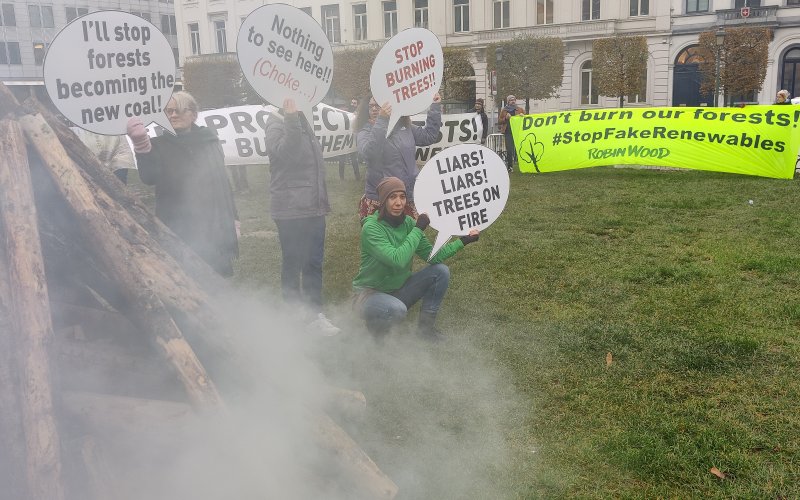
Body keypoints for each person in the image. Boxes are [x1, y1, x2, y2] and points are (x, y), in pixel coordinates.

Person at [352, 177, 480, 342]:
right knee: (397, 309)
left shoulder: (408, 224)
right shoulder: (371, 228)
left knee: (441, 271)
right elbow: (397, 259)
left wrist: (464, 240)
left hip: (398, 289)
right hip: (369, 295)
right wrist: (418, 228)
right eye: (392, 197)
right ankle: (376, 331)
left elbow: (433, 257)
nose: (399, 203)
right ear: (383, 201)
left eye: (402, 197)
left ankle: (426, 329)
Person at [126, 91, 239, 277]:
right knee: (186, 277)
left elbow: (222, 182)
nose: (173, 115)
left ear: (193, 114)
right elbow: (149, 177)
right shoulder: (158, 145)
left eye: (178, 110)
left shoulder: (209, 140)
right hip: (177, 224)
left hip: (212, 224)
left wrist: (233, 218)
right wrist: (141, 145)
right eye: (169, 111)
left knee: (217, 279)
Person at [264, 97, 340, 336]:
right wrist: (290, 118)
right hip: (291, 209)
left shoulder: (302, 121)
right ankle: (293, 315)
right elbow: (288, 153)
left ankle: (313, 314)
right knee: (293, 262)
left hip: (312, 207)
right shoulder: (277, 122)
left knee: (313, 262)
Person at [356, 92, 442, 221]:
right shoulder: (365, 131)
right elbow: (369, 153)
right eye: (371, 106)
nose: (374, 109)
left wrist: (434, 107)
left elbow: (429, 136)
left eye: (378, 105)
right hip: (382, 199)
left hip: (407, 196)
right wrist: (382, 121)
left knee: (411, 233)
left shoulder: (404, 127)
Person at [497, 95, 525, 172]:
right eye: (511, 100)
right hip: (508, 132)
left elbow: (526, 119)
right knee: (509, 150)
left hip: (518, 132)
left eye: (514, 100)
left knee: (519, 149)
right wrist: (505, 118)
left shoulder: (520, 109)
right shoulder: (504, 110)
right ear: (508, 101)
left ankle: (522, 165)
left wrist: (523, 116)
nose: (513, 101)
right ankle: (510, 167)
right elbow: (499, 121)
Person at [338, 98, 361, 180]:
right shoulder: (345, 113)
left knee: (354, 159)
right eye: (352, 102)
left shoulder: (358, 114)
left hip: (352, 139)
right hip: (344, 139)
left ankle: (357, 177)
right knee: (342, 159)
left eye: (354, 103)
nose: (352, 104)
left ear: (357, 105)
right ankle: (341, 178)